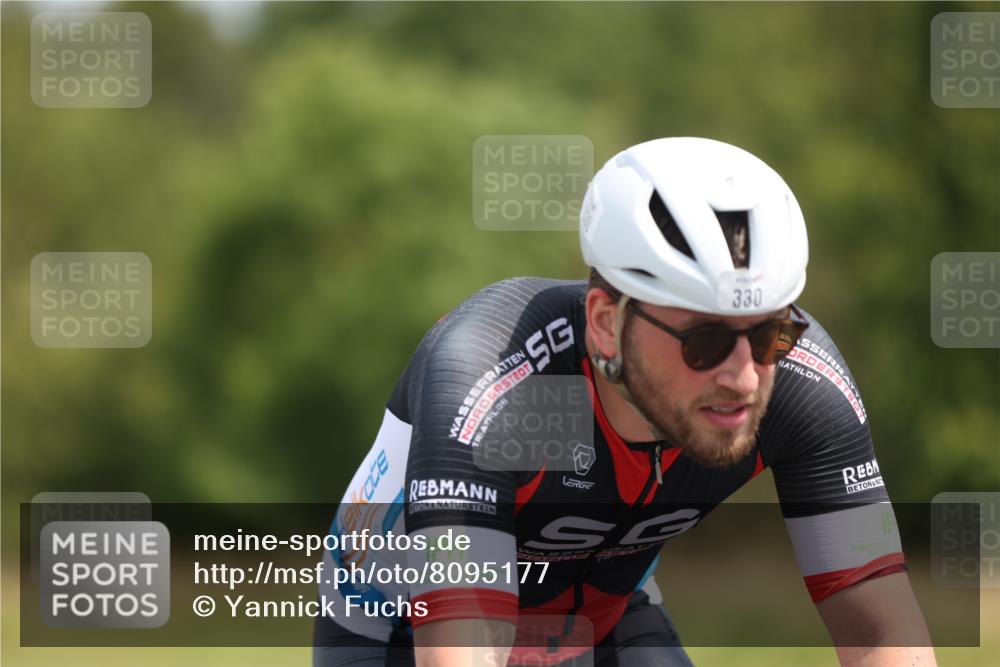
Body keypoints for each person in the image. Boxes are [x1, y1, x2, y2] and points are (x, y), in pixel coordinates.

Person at [313, 137, 936, 666]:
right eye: (704, 341)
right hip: (397, 627)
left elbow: (880, 627)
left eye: (770, 332)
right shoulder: (514, 387)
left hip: (606, 618)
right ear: (607, 324)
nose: (745, 377)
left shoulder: (800, 385)